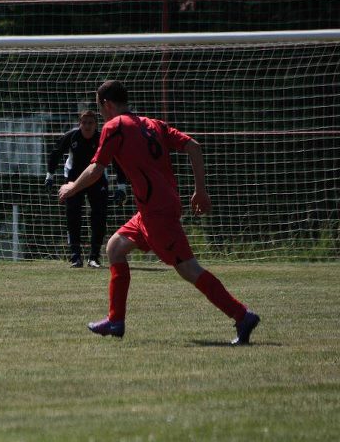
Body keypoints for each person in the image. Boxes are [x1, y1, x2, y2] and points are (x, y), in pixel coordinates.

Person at [58, 80, 260, 345]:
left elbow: (97, 169)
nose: (101, 114)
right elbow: (194, 147)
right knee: (115, 247)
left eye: (100, 108)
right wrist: (200, 191)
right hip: (154, 208)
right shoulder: (153, 124)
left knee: (189, 269)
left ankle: (242, 315)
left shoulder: (114, 127)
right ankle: (115, 321)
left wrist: (72, 187)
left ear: (106, 105)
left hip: (157, 213)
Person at [45, 110, 127, 268]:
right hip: (73, 180)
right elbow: (55, 153)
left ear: (96, 125)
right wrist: (50, 175)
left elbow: (117, 160)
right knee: (73, 214)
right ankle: (75, 256)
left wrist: (121, 186)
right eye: (84, 122)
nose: (87, 126)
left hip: (96, 179)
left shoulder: (103, 138)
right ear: (79, 124)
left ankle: (94, 257)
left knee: (99, 215)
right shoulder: (72, 136)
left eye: (91, 123)